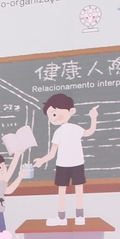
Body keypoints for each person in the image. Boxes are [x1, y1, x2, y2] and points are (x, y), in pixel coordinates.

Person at [32, 93, 98, 226]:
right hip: (63, 165)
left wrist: (93, 117)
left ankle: (78, 217)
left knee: (77, 190)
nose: (54, 118)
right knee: (63, 191)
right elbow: (52, 154)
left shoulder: (75, 128)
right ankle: (63, 218)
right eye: (51, 115)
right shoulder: (58, 132)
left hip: (76, 164)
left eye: (55, 113)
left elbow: (89, 131)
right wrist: (41, 160)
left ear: (71, 111)